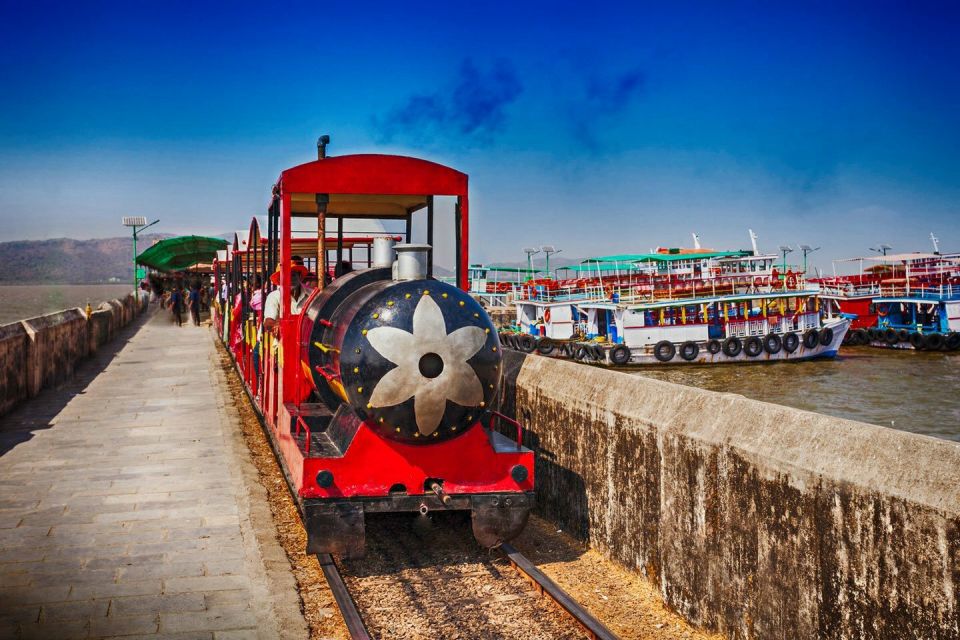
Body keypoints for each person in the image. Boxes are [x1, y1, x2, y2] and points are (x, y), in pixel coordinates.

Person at [263, 261, 310, 335]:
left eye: (293, 275)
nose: (290, 279)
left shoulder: (312, 294)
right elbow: (268, 322)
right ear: (279, 280)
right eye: (286, 275)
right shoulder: (274, 296)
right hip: (283, 342)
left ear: (299, 276)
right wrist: (276, 325)